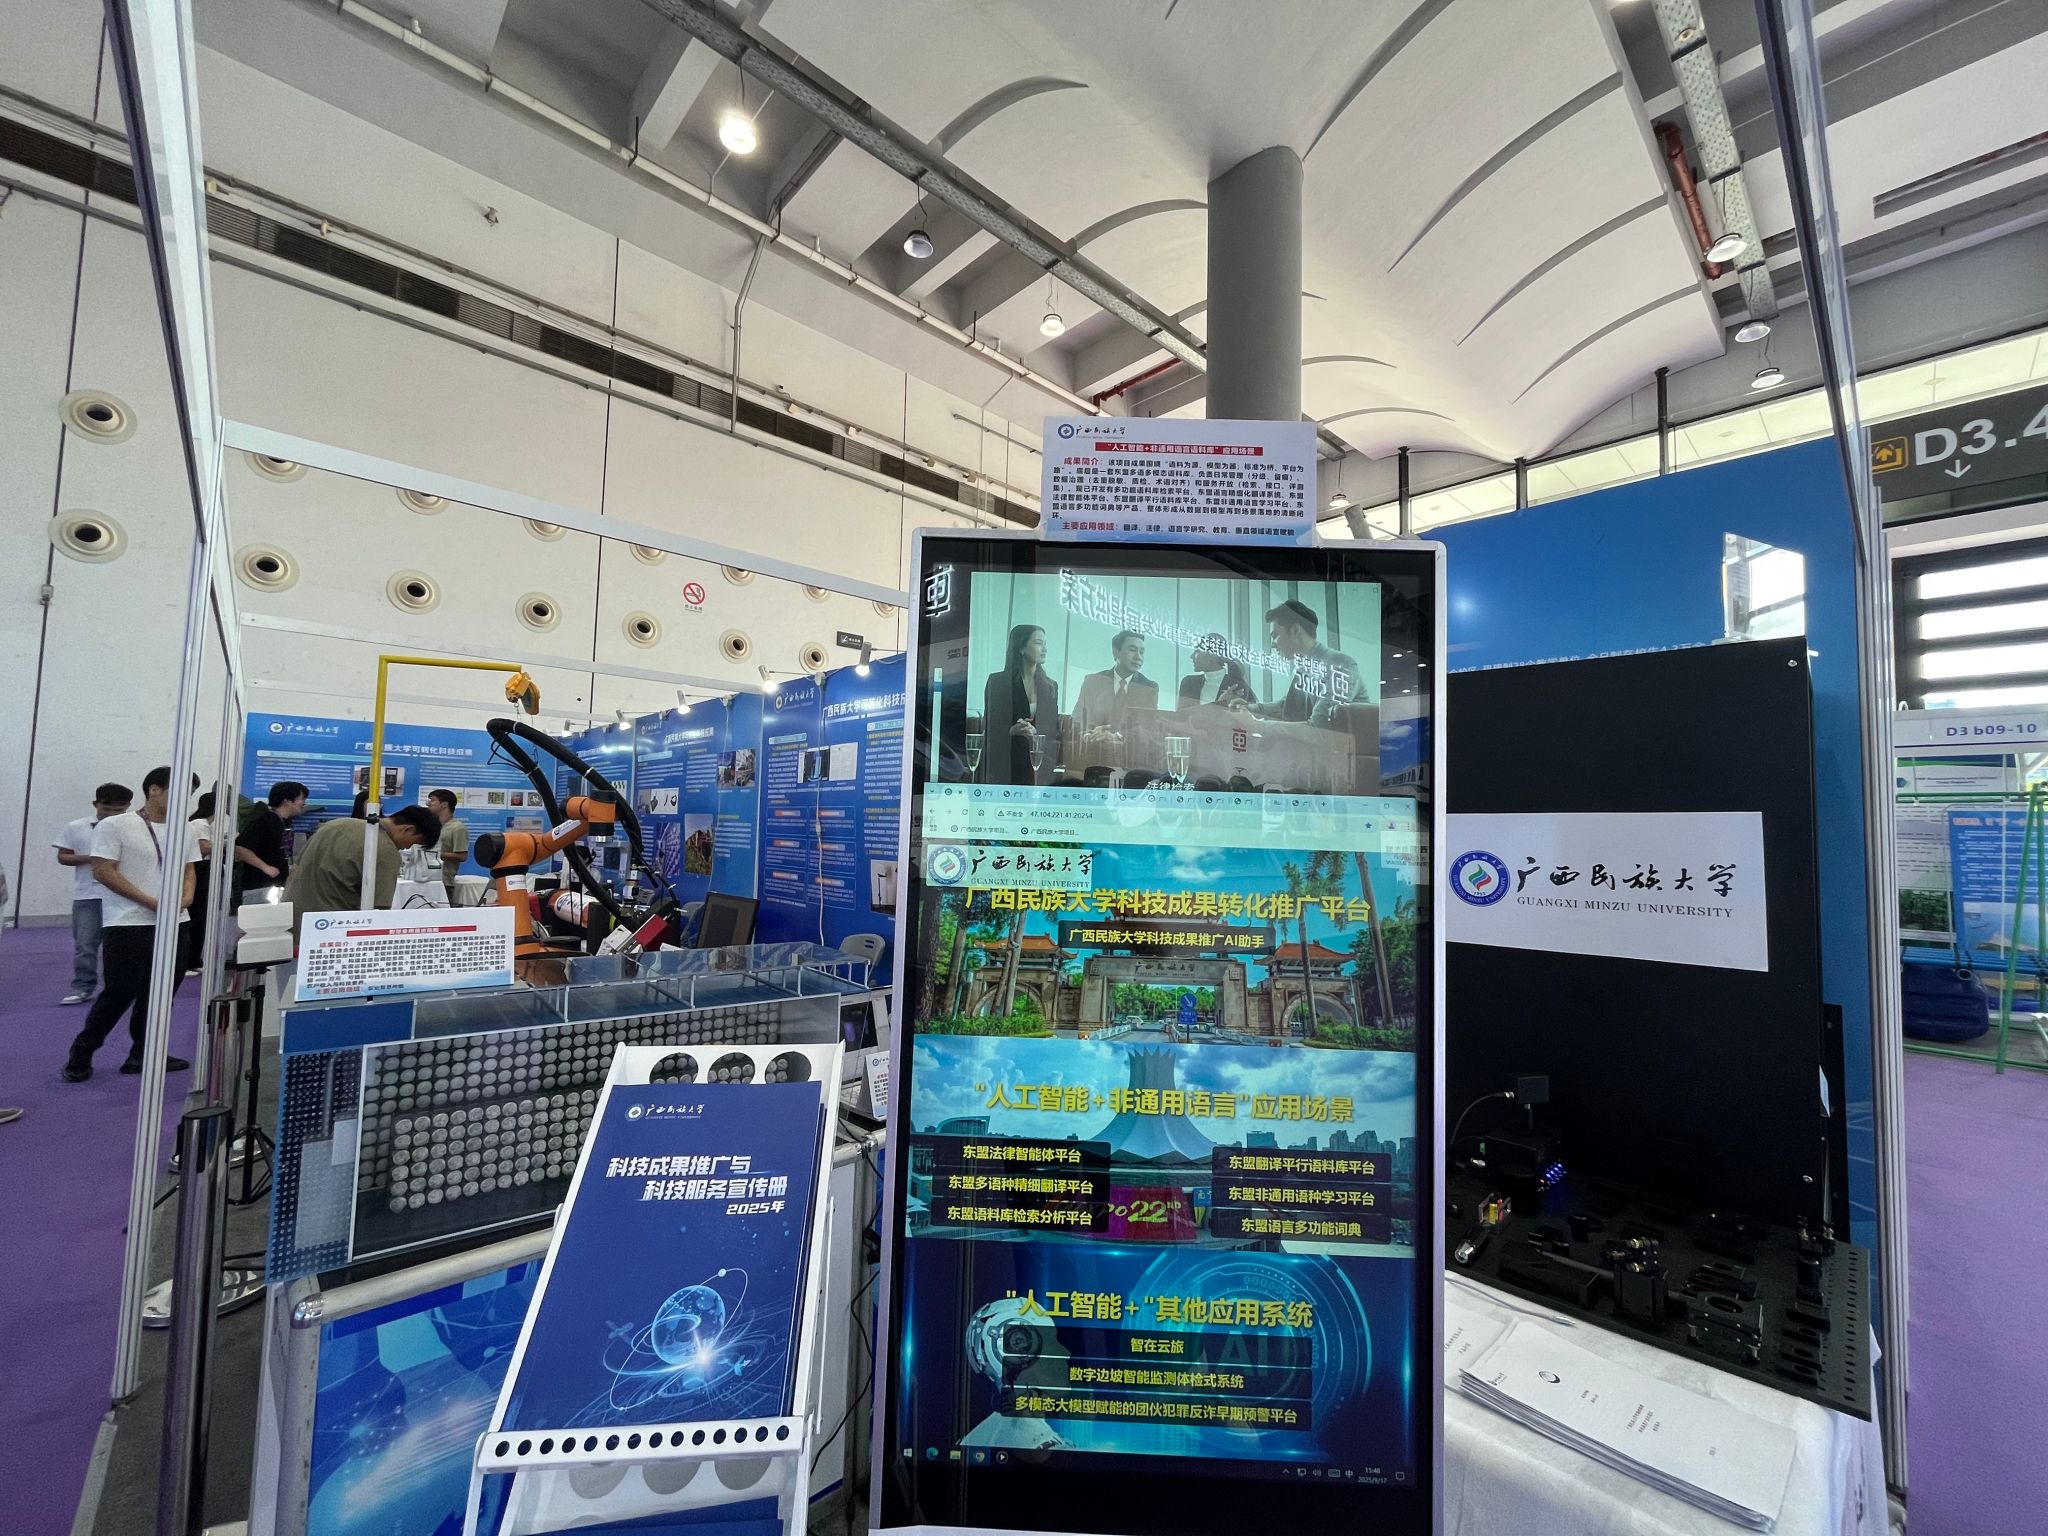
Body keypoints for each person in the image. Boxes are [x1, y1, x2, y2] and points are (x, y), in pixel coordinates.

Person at [61, 765, 199, 1083]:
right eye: (178, 791)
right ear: (154, 790)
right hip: (128, 922)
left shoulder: (185, 829)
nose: (184, 799)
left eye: (189, 794)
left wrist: (186, 898)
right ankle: (82, 1052)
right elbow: (103, 870)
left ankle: (143, 1053)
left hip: (176, 922)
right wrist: (151, 902)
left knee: (162, 993)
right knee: (120, 992)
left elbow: (189, 868)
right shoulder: (117, 825)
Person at [284, 805, 442, 940]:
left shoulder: (335, 825)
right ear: (407, 829)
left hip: (291, 921)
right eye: (414, 842)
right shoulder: (384, 849)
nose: (407, 848)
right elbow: (378, 910)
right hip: (333, 930)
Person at [55, 782, 131, 1004]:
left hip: (122, 893)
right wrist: (93, 858)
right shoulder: (76, 827)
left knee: (120, 945)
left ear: (128, 807)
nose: (112, 814)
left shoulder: (132, 827)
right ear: (95, 804)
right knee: (85, 944)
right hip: (87, 894)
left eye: (119, 810)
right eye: (106, 809)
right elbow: (63, 856)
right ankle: (83, 986)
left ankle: (118, 987)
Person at [1236, 599, 1362, 728]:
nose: (1273, 645)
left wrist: (1258, 725)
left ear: (1295, 630)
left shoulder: (1340, 664)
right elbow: (1287, 706)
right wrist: (1250, 708)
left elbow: (1319, 726)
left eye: (1275, 636)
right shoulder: (1303, 667)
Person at [979, 624, 1060, 786]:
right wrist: (1012, 730)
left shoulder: (1050, 686)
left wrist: (1034, 730)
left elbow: (1053, 728)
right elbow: (991, 724)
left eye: (1045, 644)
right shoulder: (998, 682)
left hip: (1039, 753)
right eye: (1038, 643)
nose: (1044, 649)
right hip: (1006, 753)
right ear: (1021, 648)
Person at [1070, 630, 1160, 738]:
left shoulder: (1149, 688)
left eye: (1141, 652)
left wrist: (1117, 737)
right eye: (1132, 650)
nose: (1138, 657)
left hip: (1128, 748)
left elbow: (1147, 728)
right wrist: (1089, 735)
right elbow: (1077, 718)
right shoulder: (1093, 681)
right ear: (1116, 652)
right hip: (1093, 745)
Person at [236, 779, 308, 898]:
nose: (304, 803)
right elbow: (241, 848)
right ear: (287, 801)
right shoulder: (264, 821)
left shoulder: (286, 822)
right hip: (260, 884)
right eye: (301, 799)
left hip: (278, 883)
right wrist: (265, 867)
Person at [179, 790, 218, 975]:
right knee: (197, 915)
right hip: (200, 868)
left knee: (200, 916)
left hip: (202, 868)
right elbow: (204, 848)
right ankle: (188, 960)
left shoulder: (202, 823)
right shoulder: (200, 823)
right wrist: (228, 842)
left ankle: (194, 959)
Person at [1177, 632, 1257, 710]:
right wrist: (1221, 703)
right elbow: (1183, 715)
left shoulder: (1236, 686)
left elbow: (1240, 718)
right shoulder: (1189, 683)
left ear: (1212, 656)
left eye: (1197, 651)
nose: (1191, 656)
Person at [428, 789, 469, 897]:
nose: (429, 804)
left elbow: (462, 856)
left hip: (444, 882)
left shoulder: (458, 827)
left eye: (432, 800)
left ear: (444, 804)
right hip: (426, 879)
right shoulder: (431, 826)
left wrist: (434, 854)